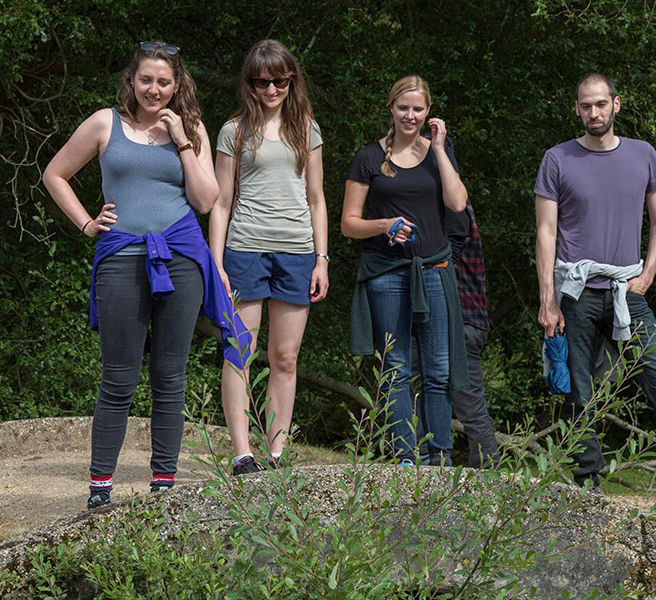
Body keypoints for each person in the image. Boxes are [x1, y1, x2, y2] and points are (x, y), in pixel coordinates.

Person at [42, 41, 247, 509]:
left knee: (170, 377)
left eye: (164, 82)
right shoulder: (104, 123)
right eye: (146, 80)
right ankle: (100, 490)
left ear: (177, 86)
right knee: (118, 378)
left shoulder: (191, 127)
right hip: (121, 257)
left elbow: (206, 200)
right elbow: (55, 174)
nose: (154, 89)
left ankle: (163, 488)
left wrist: (181, 140)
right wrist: (87, 223)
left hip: (181, 257)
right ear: (132, 81)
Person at [534, 72, 656, 530]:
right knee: (579, 395)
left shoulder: (643, 154)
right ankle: (587, 488)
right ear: (576, 109)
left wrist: (647, 275)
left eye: (601, 104)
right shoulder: (558, 159)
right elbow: (546, 231)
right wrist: (547, 299)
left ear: (616, 104)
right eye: (585, 106)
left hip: (626, 292)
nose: (594, 113)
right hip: (576, 292)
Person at [209, 40, 328, 475]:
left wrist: (322, 259)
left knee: (285, 357)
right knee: (241, 351)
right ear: (250, 83)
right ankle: (242, 453)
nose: (271, 89)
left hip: (297, 252)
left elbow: (316, 198)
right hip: (245, 248)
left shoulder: (307, 129)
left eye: (279, 80)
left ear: (291, 80)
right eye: (262, 82)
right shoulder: (233, 130)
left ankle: (277, 454)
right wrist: (216, 264)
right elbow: (221, 202)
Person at [343, 75, 469, 466]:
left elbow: (458, 203)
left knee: (438, 369)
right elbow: (348, 224)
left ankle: (440, 457)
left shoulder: (438, 153)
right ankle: (404, 457)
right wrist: (384, 225)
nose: (409, 116)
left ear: (428, 112)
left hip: (433, 270)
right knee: (395, 367)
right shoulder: (369, 157)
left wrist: (441, 149)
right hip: (386, 273)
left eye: (417, 109)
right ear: (391, 108)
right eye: (403, 108)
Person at [414, 203, 500, 468]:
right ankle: (428, 468)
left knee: (466, 404)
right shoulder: (452, 203)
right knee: (429, 393)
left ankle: (487, 476)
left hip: (458, 318)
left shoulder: (449, 206)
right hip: (461, 318)